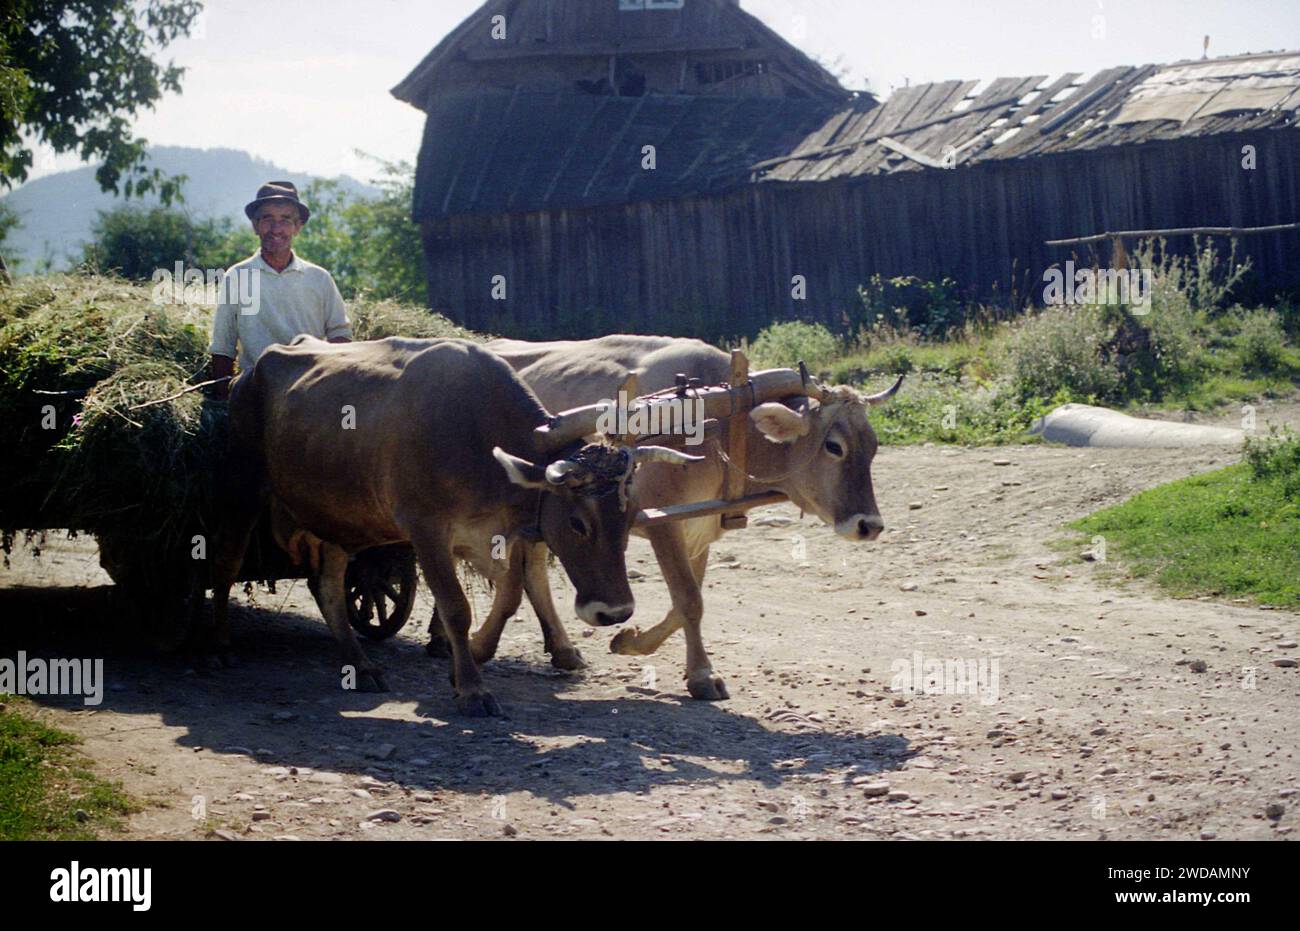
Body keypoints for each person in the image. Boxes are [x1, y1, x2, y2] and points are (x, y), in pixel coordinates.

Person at [207, 181, 352, 399]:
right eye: (267, 219)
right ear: (255, 226)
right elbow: (223, 347)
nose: (276, 229)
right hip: (256, 393)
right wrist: (223, 404)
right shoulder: (238, 277)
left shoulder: (319, 278)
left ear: (297, 227)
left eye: (285, 219)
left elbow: (340, 336)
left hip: (310, 391)